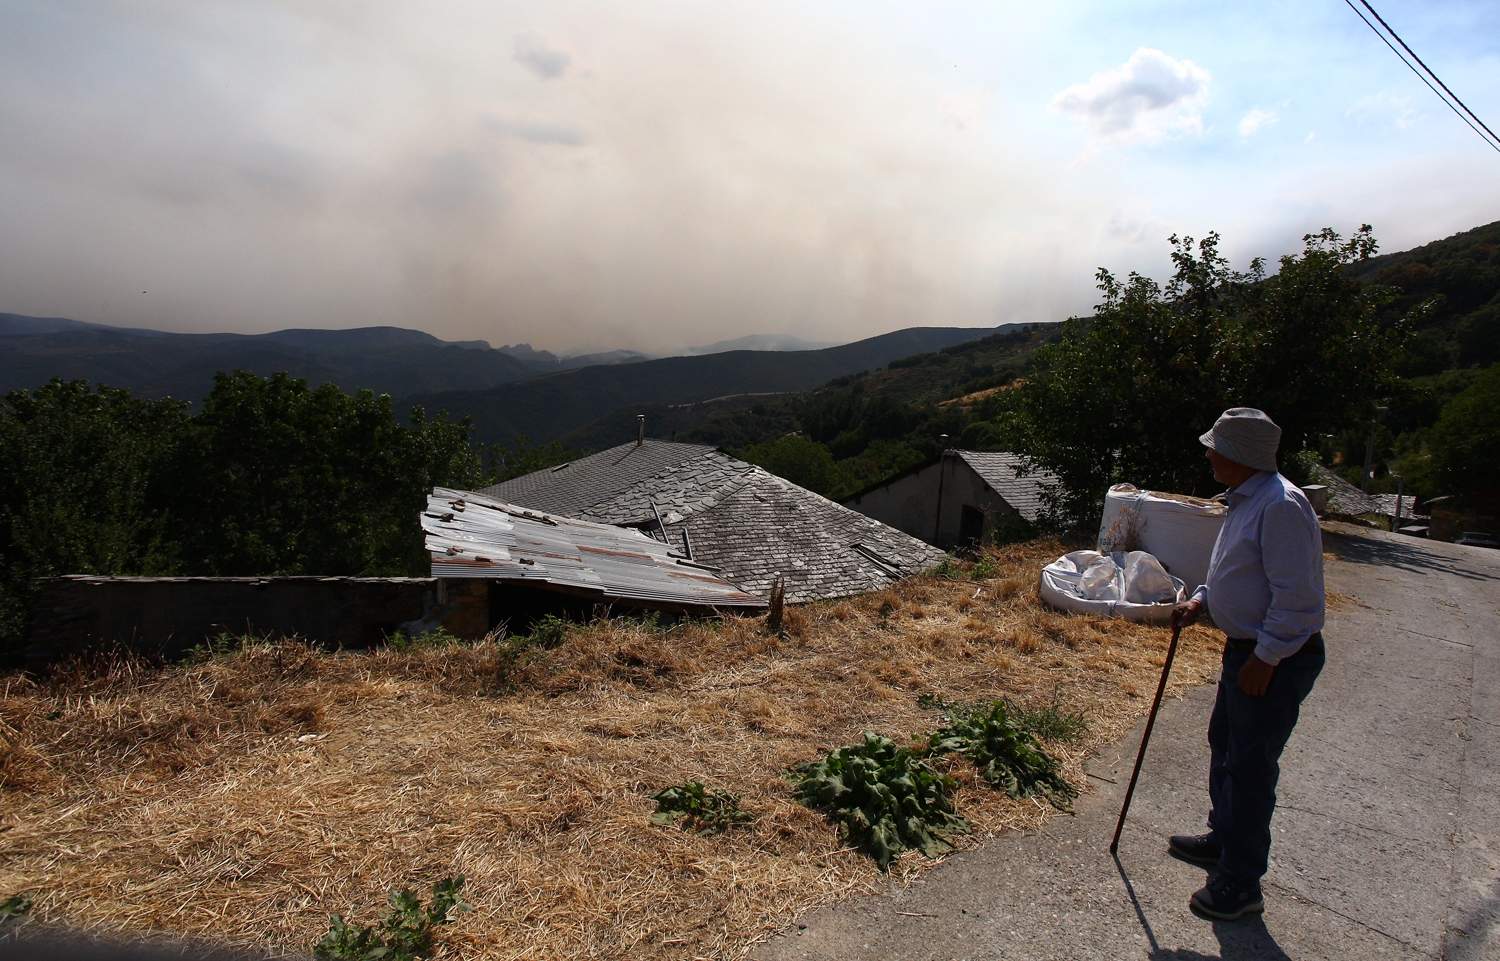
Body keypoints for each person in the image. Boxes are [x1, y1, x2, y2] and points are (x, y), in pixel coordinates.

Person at [1169, 407, 1326, 922]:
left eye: (1216, 447)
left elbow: (1299, 598)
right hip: (1249, 649)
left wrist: (1267, 657)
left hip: (1272, 656)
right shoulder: (1247, 500)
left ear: (1238, 454)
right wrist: (1204, 600)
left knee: (1252, 766)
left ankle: (1241, 883)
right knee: (1227, 746)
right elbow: (1238, 569)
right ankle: (1224, 840)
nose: (1209, 454)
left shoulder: (1281, 506)